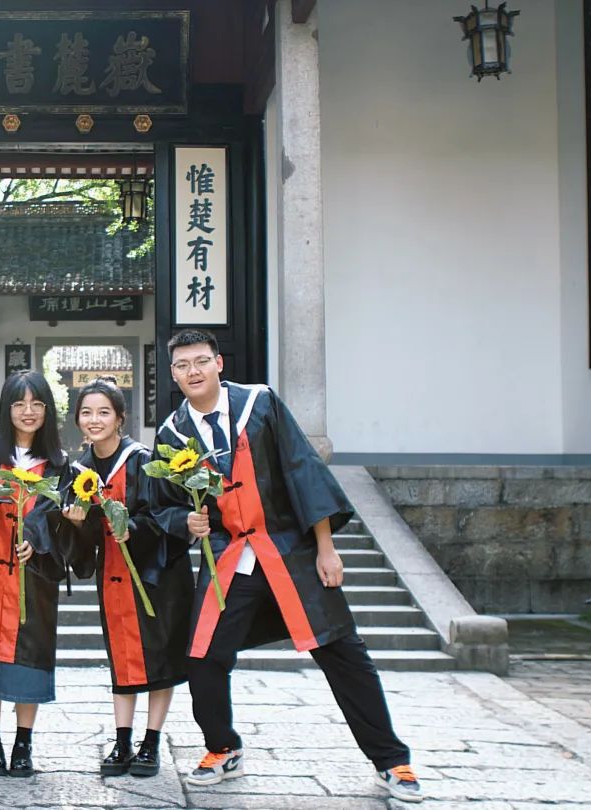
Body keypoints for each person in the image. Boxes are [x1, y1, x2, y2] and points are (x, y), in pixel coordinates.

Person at [152, 329, 423, 803]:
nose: (193, 371)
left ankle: (391, 760)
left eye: (201, 361)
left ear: (219, 363)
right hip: (229, 557)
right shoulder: (172, 434)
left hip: (289, 550)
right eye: (182, 365)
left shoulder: (260, 404)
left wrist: (326, 547)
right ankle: (223, 747)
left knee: (342, 651)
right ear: (173, 374)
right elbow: (162, 505)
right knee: (202, 656)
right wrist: (185, 521)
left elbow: (302, 469)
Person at [61, 378, 193, 778]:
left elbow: (167, 515)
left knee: (159, 656)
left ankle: (151, 741)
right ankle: (122, 741)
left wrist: (133, 528)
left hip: (155, 577)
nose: (94, 420)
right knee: (121, 656)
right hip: (113, 577)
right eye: (86, 412)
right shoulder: (79, 471)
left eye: (104, 412)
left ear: (120, 417)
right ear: (77, 420)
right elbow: (84, 539)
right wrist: (76, 523)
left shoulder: (143, 461)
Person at [0, 370, 71, 778]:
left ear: (48, 410)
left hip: (32, 578)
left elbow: (60, 520)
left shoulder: (59, 463)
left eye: (37, 404)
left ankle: (23, 743)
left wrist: (38, 541)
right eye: (19, 404)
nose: (28, 411)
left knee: (29, 659)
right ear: (7, 408)